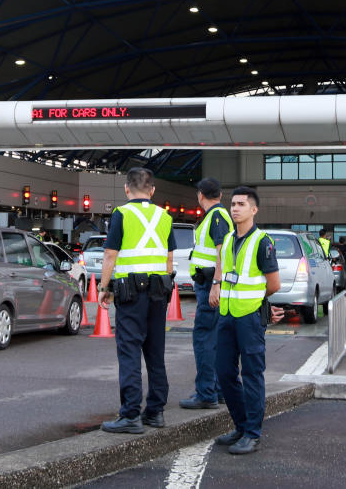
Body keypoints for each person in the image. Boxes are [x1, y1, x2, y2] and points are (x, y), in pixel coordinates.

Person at [98, 167, 176, 434]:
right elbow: (168, 259)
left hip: (131, 292)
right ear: (152, 190)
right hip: (158, 292)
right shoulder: (165, 216)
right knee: (155, 352)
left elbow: (110, 255)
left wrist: (104, 286)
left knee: (129, 350)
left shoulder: (122, 214)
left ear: (126, 189)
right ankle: (155, 412)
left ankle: (130, 414)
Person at [209, 186, 281, 455]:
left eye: (241, 204)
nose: (235, 208)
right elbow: (222, 267)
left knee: (251, 374)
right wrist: (216, 285)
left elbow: (273, 283)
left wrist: (255, 302)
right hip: (226, 315)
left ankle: (252, 433)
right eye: (233, 204)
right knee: (225, 372)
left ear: (254, 209)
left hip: (249, 317)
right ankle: (240, 425)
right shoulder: (228, 239)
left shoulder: (262, 241)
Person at [180, 177, 233, 410]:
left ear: (200, 195)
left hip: (210, 286)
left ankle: (206, 393)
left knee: (204, 339)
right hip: (210, 284)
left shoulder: (217, 217)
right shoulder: (217, 216)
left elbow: (222, 251)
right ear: (220, 195)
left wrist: (216, 284)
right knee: (215, 340)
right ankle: (218, 390)